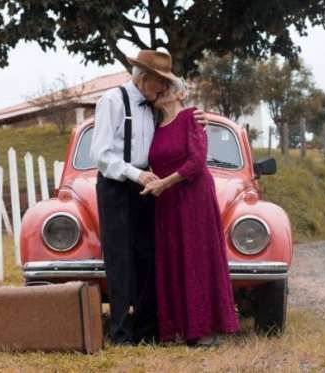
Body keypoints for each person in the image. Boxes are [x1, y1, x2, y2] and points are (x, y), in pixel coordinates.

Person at [90, 50, 207, 345]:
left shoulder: (154, 106)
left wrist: (197, 115)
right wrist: (134, 174)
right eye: (160, 83)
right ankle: (121, 334)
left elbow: (176, 121)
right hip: (116, 186)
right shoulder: (112, 101)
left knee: (147, 255)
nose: (163, 89)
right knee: (119, 259)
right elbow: (101, 154)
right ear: (145, 78)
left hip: (148, 186)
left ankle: (146, 329)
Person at [140, 78, 240, 347]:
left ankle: (205, 327)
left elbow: (197, 161)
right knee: (173, 258)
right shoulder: (155, 126)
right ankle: (177, 327)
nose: (160, 92)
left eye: (166, 88)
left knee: (197, 258)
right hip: (166, 201)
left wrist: (165, 182)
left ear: (179, 94)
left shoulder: (191, 118)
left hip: (193, 196)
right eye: (158, 88)